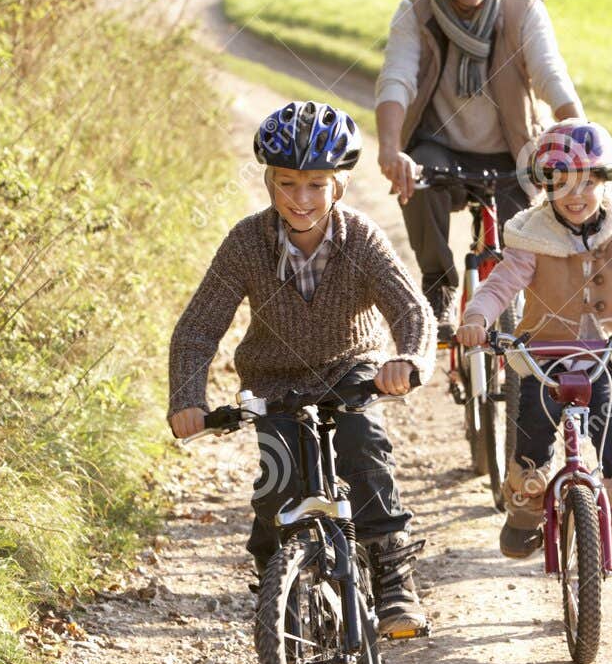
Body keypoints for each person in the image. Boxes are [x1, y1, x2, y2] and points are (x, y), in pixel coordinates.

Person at [168, 101, 435, 636]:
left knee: (364, 447)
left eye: (317, 184)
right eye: (288, 184)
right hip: (274, 380)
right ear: (270, 183)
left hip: (350, 368)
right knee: (276, 485)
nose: (301, 199)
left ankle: (391, 581)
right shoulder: (247, 242)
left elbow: (410, 307)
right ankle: (277, 590)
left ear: (339, 185)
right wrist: (187, 398)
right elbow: (199, 326)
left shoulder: (359, 237)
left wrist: (407, 359)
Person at [454, 119, 612, 564]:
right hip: (544, 352)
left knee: (611, 425)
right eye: (562, 184)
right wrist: (477, 315)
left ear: (606, 182)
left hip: (603, 352)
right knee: (534, 427)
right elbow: (501, 285)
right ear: (545, 187)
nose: (576, 195)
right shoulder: (532, 236)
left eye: (588, 182)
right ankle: (525, 512)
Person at [374, 0, 586, 339]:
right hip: (441, 146)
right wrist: (390, 148)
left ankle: (520, 326)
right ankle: (438, 289)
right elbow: (397, 79)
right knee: (417, 179)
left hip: (513, 147)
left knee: (522, 242)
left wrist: (576, 129)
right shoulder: (415, 12)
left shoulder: (521, 5)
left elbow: (548, 71)